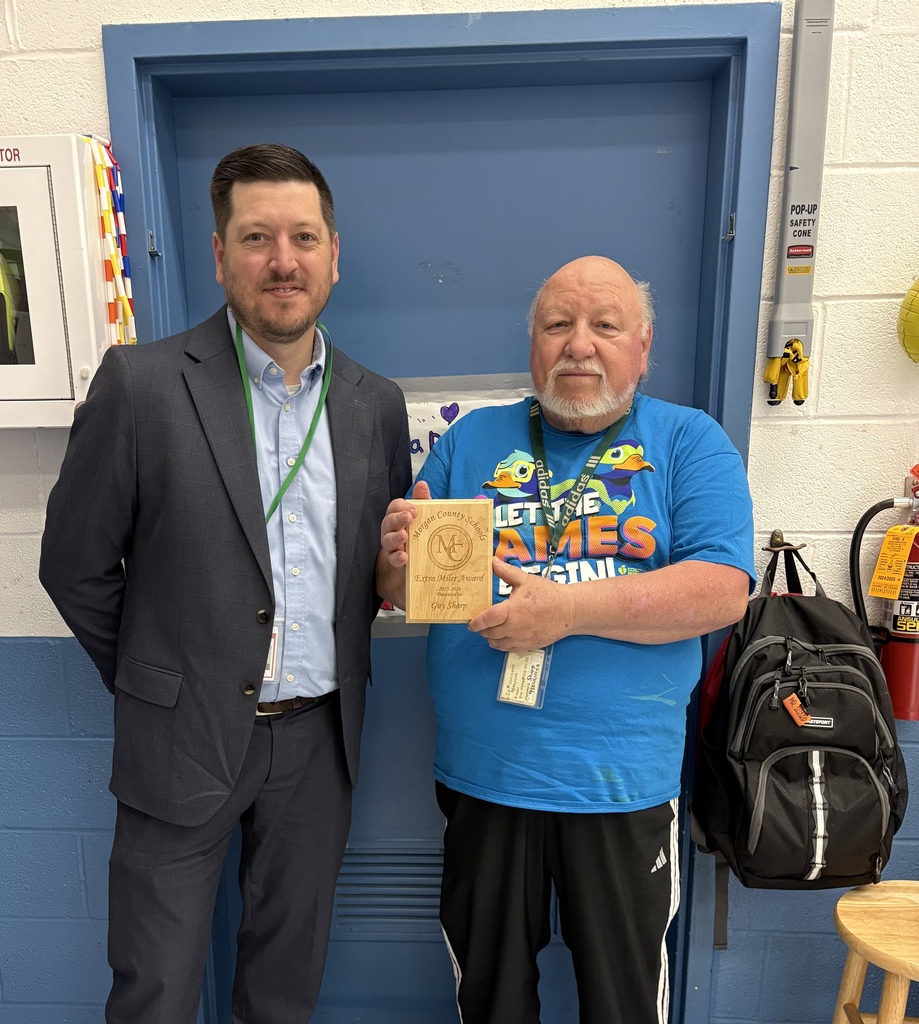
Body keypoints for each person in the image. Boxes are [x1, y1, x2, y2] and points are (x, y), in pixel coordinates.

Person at [41, 143, 411, 1024]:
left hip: (320, 744)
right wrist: (158, 679)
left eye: (303, 238)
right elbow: (74, 565)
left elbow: (366, 576)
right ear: (218, 255)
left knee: (285, 987)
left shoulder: (374, 403)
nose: (283, 261)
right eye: (257, 237)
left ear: (332, 253)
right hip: (183, 738)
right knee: (155, 988)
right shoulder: (142, 385)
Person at [377, 255, 755, 1024]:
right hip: (484, 781)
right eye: (558, 324)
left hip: (621, 789)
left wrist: (567, 611)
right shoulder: (470, 441)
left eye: (604, 325)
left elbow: (722, 589)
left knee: (621, 1006)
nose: (578, 344)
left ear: (642, 348)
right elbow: (406, 594)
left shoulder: (690, 442)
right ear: (533, 346)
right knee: (489, 1000)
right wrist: (394, 569)